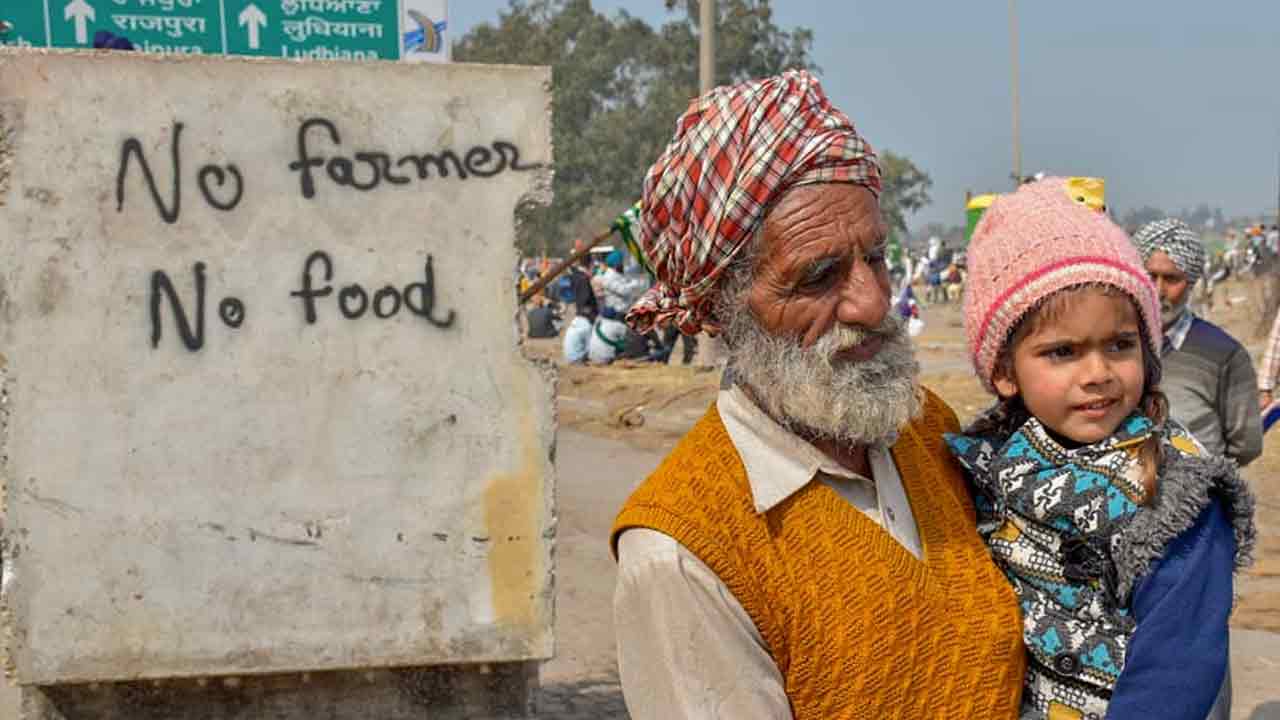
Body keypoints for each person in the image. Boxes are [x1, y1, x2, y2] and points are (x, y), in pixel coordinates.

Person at [610, 70, 1027, 719]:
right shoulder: (682, 554)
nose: (873, 302)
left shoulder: (926, 428)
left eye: (879, 259)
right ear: (723, 310)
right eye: (820, 276)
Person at [944, 178, 1255, 719]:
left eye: (1119, 345)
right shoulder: (985, 461)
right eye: (1063, 351)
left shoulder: (1173, 493)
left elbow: (1177, 670)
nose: (1099, 374)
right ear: (1003, 372)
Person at [1132, 219, 1262, 468]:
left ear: (1190, 283)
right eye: (1149, 276)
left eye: (1171, 279)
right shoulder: (1110, 345)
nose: (1157, 290)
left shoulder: (1225, 354)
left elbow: (1246, 445)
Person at [562, 251, 599, 364]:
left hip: (581, 313)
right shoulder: (583, 279)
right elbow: (585, 299)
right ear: (590, 264)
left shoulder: (576, 276)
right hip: (586, 314)